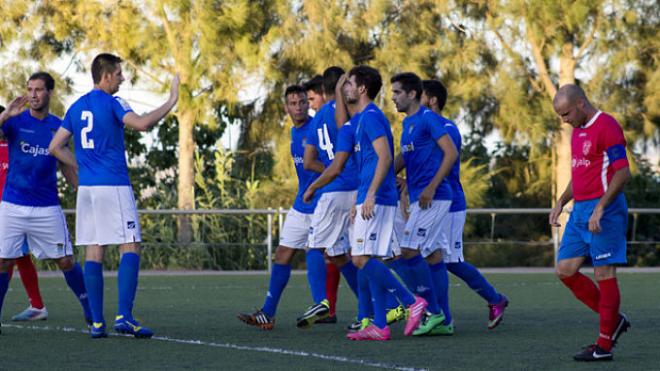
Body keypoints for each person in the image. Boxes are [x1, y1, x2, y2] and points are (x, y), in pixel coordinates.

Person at [48, 53, 179, 339]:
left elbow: (55, 147)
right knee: (130, 246)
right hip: (114, 186)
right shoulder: (114, 102)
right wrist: (171, 101)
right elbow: (142, 124)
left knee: (94, 250)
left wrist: (82, 165)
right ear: (106, 75)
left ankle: (97, 323)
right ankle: (125, 317)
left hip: (89, 191)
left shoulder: (76, 106)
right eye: (118, 74)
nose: (122, 78)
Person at [304, 66, 427, 341]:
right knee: (367, 258)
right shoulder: (356, 121)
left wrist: (370, 194)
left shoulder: (371, 117)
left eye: (348, 84)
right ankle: (379, 324)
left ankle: (411, 302)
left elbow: (385, 157)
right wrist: (357, 196)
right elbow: (343, 162)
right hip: (367, 197)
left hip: (378, 198)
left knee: (360, 258)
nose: (344, 89)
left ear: (360, 89)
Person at [0, 72, 91, 334]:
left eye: (38, 89)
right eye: (29, 89)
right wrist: (5, 115)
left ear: (50, 92)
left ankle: (90, 312)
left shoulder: (58, 126)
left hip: (47, 207)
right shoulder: (14, 122)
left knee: (65, 260)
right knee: (4, 262)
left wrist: (84, 196)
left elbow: (67, 167)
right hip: (13, 205)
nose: (33, 94)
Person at [549, 84, 631, 362]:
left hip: (604, 211)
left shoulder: (607, 126)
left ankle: (604, 345)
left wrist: (600, 207)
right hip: (580, 211)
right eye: (560, 115)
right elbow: (581, 172)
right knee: (565, 270)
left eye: (566, 113)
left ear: (581, 103)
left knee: (604, 274)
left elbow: (622, 173)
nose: (564, 120)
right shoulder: (577, 131)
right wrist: (561, 201)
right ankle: (614, 320)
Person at [237, 85, 329, 330]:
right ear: (286, 107)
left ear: (308, 104)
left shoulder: (317, 128)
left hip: (323, 200)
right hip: (302, 203)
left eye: (302, 102)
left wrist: (323, 177)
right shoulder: (294, 132)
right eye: (293, 103)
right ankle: (268, 313)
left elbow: (333, 164)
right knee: (282, 255)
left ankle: (333, 305)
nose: (298, 107)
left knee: (335, 255)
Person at [421, 79, 509, 330]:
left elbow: (439, 165)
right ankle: (439, 315)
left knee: (447, 260)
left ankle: (493, 300)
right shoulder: (424, 127)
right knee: (431, 257)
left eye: (421, 95)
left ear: (433, 100)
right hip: (433, 202)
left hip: (449, 203)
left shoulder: (446, 128)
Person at [389, 72, 458, 336]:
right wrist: (384, 174)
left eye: (397, 93)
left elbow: (450, 153)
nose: (393, 98)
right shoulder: (408, 125)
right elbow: (403, 159)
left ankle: (433, 312)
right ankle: (445, 320)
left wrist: (431, 187)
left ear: (413, 94)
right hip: (420, 197)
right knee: (431, 255)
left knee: (408, 250)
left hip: (435, 196)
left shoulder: (429, 119)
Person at [303, 67, 360, 326]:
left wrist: (326, 174)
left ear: (323, 90)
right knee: (340, 254)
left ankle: (321, 302)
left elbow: (308, 161)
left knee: (313, 245)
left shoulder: (319, 118)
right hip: (356, 187)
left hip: (335, 189)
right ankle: (368, 305)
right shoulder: (350, 111)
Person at [0, 105, 48, 322]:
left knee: (12, 256)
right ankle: (37, 305)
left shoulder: (17, 147)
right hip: (11, 210)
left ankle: (37, 305)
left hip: (15, 209)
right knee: (16, 256)